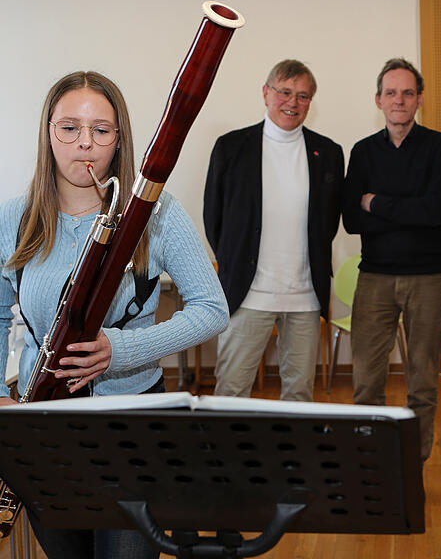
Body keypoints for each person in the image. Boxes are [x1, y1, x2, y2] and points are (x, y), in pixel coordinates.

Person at [0, 71, 229, 558]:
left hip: (134, 430)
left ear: (119, 137)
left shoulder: (156, 212)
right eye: (69, 128)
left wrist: (120, 349)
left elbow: (212, 310)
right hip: (46, 429)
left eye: (100, 130)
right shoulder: (13, 218)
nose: (85, 143)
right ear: (47, 132)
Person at [204, 59, 344, 401]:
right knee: (231, 392)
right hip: (248, 295)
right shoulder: (231, 147)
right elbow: (214, 218)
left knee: (300, 395)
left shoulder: (329, 153)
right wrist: (234, 261)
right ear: (266, 93)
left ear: (310, 102)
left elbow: (327, 222)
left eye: (303, 96)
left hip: (305, 297)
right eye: (284, 92)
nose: (292, 102)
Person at [343, 58, 441, 461]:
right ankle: (370, 464)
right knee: (366, 383)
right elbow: (351, 220)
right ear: (378, 99)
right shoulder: (362, 152)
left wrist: (377, 203)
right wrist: (410, 210)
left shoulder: (440, 146)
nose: (399, 100)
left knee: (422, 385)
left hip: (430, 279)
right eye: (391, 93)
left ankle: (412, 467)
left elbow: (436, 213)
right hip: (374, 278)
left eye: (408, 93)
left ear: (419, 99)